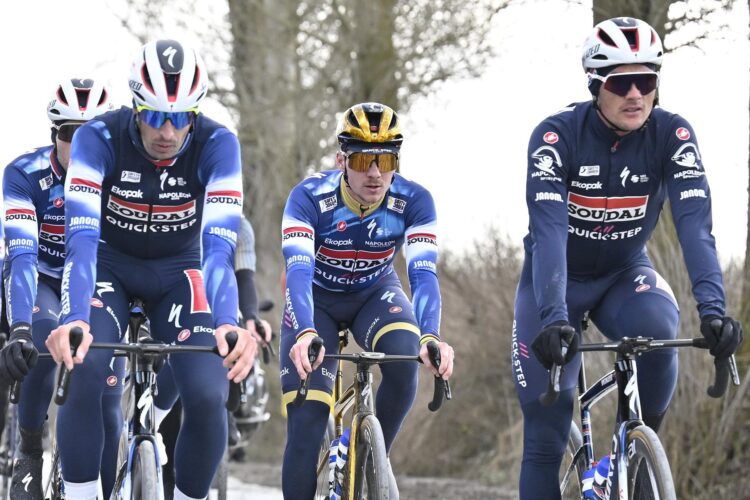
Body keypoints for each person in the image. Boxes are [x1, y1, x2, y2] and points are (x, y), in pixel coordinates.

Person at [512, 17, 743, 500]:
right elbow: (549, 231)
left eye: (647, 80)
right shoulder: (556, 137)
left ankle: (632, 451)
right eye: (621, 83)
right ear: (595, 85)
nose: (636, 94)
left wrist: (714, 310)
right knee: (546, 431)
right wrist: (553, 318)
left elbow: (695, 226)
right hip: (555, 280)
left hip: (623, 275)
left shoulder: (673, 135)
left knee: (658, 330)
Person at [43, 39, 257, 500]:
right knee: (84, 367)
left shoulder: (219, 144)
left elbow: (219, 248)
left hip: (181, 272)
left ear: (195, 114)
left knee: (208, 394)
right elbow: (80, 240)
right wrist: (75, 317)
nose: (168, 131)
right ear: (136, 107)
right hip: (108, 266)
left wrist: (228, 321)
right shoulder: (97, 137)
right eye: (156, 115)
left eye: (181, 118)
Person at [280, 101, 455, 499]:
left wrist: (431, 336)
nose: (375, 173)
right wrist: (304, 331)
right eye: (362, 161)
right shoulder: (309, 197)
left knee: (405, 356)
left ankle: (372, 460)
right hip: (316, 300)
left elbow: (423, 274)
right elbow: (298, 271)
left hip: (374, 293)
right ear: (342, 160)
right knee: (307, 424)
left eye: (386, 160)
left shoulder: (414, 201)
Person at [0, 78, 124, 499]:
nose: (82, 144)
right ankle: (30, 450)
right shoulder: (25, 174)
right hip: (41, 276)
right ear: (54, 134)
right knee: (38, 342)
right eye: (71, 132)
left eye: (93, 133)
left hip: (96, 279)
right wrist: (19, 327)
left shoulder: (121, 179)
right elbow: (21, 256)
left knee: (107, 398)